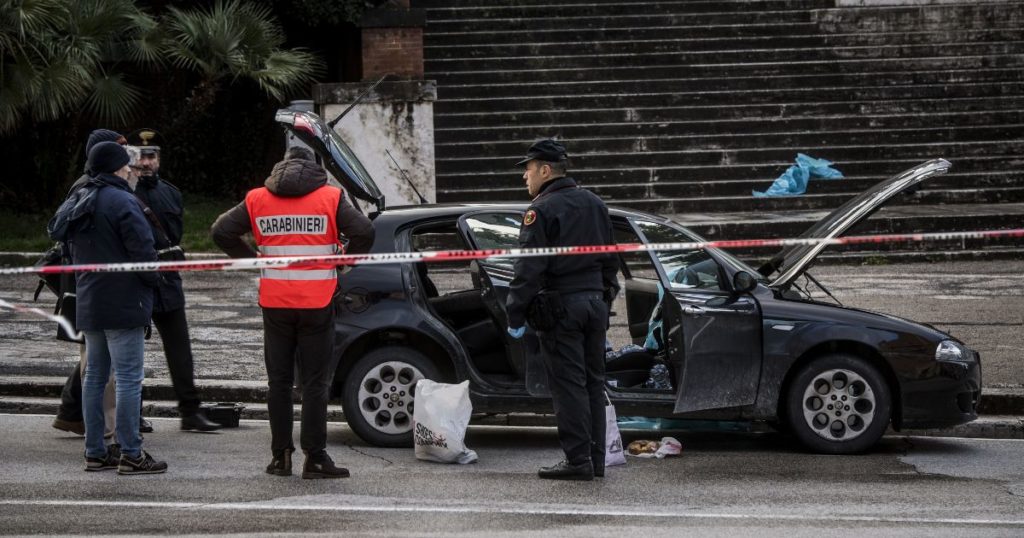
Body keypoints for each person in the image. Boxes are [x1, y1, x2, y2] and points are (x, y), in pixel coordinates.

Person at [211, 146, 374, 479]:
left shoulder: (258, 199)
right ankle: (315, 458)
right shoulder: (330, 197)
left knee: (279, 383)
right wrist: (344, 262)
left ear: (281, 166)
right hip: (316, 303)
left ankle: (280, 457)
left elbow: (221, 231)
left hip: (276, 304)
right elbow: (364, 232)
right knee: (315, 384)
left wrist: (252, 260)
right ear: (314, 169)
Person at [48, 141, 167, 474]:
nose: (130, 168)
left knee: (94, 377)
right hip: (124, 302)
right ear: (116, 167)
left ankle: (95, 451)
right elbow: (144, 255)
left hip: (89, 300)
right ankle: (131, 451)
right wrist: (156, 281)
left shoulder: (78, 199)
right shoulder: (124, 202)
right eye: (125, 164)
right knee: (129, 378)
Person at [505, 139, 620, 481]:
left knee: (568, 386)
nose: (525, 177)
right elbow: (611, 259)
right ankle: (595, 461)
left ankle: (577, 461)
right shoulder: (595, 203)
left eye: (528, 170)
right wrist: (604, 298)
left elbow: (529, 268)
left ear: (545, 170)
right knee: (593, 384)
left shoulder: (541, 210)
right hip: (594, 305)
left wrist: (514, 313)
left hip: (562, 308)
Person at [125, 128, 220, 433]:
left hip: (167, 279)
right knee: (128, 350)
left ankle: (190, 411)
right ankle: (127, 411)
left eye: (152, 156)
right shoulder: (124, 192)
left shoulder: (170, 192)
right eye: (141, 156)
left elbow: (175, 234)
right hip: (136, 279)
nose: (147, 162)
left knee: (180, 347)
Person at [52, 129, 128, 438]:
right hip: (95, 289)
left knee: (95, 361)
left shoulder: (87, 187)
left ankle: (76, 415)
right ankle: (104, 430)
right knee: (99, 364)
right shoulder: (91, 190)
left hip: (89, 288)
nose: (129, 158)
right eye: (121, 151)